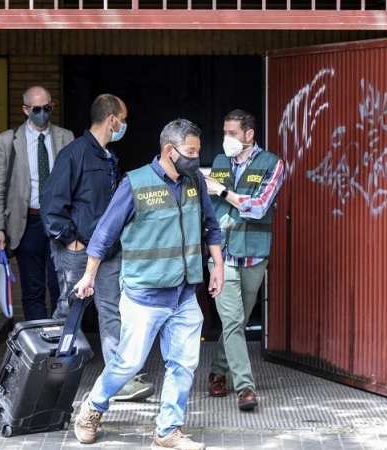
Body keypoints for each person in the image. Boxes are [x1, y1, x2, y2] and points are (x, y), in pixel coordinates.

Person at [72, 118, 225, 450]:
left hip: (185, 294)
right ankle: (93, 407)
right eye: (191, 152)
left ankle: (167, 430)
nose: (196, 158)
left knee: (184, 364)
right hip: (144, 295)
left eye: (198, 151)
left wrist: (218, 267)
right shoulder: (136, 184)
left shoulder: (195, 180)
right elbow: (103, 235)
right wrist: (89, 276)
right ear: (169, 151)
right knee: (129, 362)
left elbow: (211, 226)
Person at [41, 93, 154, 402]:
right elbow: (51, 204)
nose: (125, 125)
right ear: (112, 120)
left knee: (112, 310)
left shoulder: (109, 158)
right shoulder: (74, 155)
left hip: (108, 251)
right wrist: (71, 240)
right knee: (69, 311)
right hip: (78, 251)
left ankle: (119, 379)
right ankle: (48, 376)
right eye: (124, 119)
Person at [203, 109, 286, 411]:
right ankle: (245, 389)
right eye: (224, 133)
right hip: (221, 256)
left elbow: (259, 207)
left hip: (253, 256)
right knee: (234, 320)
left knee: (235, 322)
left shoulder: (272, 164)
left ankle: (216, 371)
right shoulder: (220, 162)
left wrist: (223, 190)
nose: (227, 139)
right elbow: (210, 204)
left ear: (249, 134)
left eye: (232, 133)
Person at [0, 86, 75, 320]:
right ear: (26, 109)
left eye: (48, 108)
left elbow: (75, 184)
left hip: (58, 221)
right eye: (37, 109)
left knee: (62, 287)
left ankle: (62, 344)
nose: (43, 113)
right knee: (32, 289)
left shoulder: (66, 137)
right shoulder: (8, 141)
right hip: (27, 223)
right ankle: (40, 344)